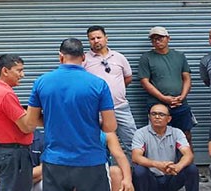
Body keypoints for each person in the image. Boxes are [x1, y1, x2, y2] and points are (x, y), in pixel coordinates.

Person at [25, 38, 118, 191]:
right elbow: (110, 126)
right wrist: (89, 122)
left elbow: (30, 122)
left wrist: (53, 120)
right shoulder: (98, 84)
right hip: (90, 160)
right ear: (83, 57)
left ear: (60, 56)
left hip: (55, 160)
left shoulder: (42, 82)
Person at [0, 54, 35, 191]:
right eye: (19, 70)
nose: (22, 75)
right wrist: (36, 115)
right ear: (5, 71)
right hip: (15, 153)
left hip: (5, 151)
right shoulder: (5, 94)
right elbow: (26, 127)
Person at [84, 25, 137, 155]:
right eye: (92, 39)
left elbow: (128, 78)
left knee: (133, 143)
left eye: (99, 37)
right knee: (99, 143)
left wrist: (115, 90)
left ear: (106, 38)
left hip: (120, 107)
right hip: (96, 110)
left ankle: (137, 167)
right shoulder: (84, 60)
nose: (96, 41)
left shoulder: (119, 57)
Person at [139, 27, 194, 142]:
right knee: (157, 135)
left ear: (168, 38)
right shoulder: (146, 58)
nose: (157, 41)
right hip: (157, 104)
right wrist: (163, 98)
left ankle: (186, 154)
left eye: (160, 38)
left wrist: (182, 96)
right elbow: (145, 81)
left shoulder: (179, 56)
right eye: (154, 39)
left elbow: (187, 78)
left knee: (185, 135)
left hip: (180, 103)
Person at [31, 130, 132, 191]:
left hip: (99, 171)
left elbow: (120, 156)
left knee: (116, 172)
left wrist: (128, 179)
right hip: (73, 171)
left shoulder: (106, 134)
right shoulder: (68, 133)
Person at [131, 103, 198, 191]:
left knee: (191, 169)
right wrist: (157, 164)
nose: (157, 117)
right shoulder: (140, 133)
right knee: (139, 171)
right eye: (153, 114)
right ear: (149, 117)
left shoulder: (177, 132)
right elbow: (136, 157)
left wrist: (178, 166)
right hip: (151, 178)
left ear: (169, 119)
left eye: (161, 114)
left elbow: (188, 155)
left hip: (172, 176)